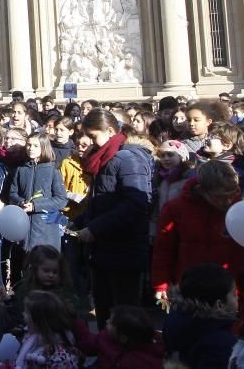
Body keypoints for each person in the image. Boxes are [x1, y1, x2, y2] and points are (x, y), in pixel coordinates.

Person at [73, 108, 153, 329]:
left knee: (125, 313)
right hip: (104, 249)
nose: (88, 143)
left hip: (125, 249)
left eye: (92, 137)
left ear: (109, 131)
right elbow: (102, 201)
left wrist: (95, 228)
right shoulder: (103, 158)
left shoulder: (127, 159)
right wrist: (80, 222)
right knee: (104, 309)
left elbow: (135, 203)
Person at [151, 160, 244, 305]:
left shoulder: (239, 209)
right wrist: (161, 284)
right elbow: (164, 249)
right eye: (219, 197)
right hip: (189, 288)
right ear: (201, 191)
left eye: (232, 194)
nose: (227, 201)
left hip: (228, 290)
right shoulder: (175, 209)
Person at [162, 263, 238, 369]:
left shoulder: (173, 322)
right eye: (234, 294)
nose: (237, 298)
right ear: (219, 305)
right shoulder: (222, 343)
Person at [5, 131, 67, 252]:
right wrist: (21, 203)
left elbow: (61, 199)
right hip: (22, 229)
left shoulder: (53, 170)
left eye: (35, 146)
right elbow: (12, 194)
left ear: (44, 147)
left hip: (45, 231)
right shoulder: (21, 169)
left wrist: (35, 206)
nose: (31, 148)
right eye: (28, 145)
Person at [14, 290, 82, 368]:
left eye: (26, 312)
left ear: (39, 321)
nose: (23, 314)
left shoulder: (58, 356)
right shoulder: (31, 340)